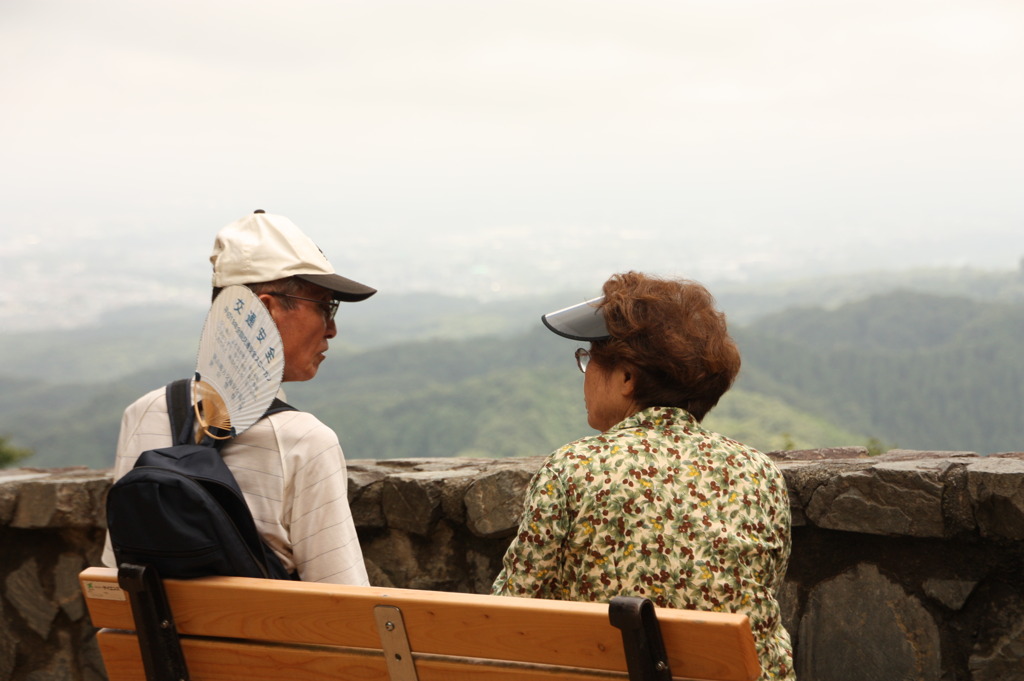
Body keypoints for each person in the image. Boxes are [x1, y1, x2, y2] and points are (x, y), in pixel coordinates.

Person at [492, 271, 794, 680]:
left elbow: (510, 613)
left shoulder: (572, 469)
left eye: (588, 360)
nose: (584, 378)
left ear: (628, 378)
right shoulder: (759, 473)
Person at [102, 210, 375, 585]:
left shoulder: (143, 412)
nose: (332, 329)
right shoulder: (304, 442)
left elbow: (115, 574)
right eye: (324, 306)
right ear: (264, 308)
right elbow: (345, 602)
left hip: (155, 644)